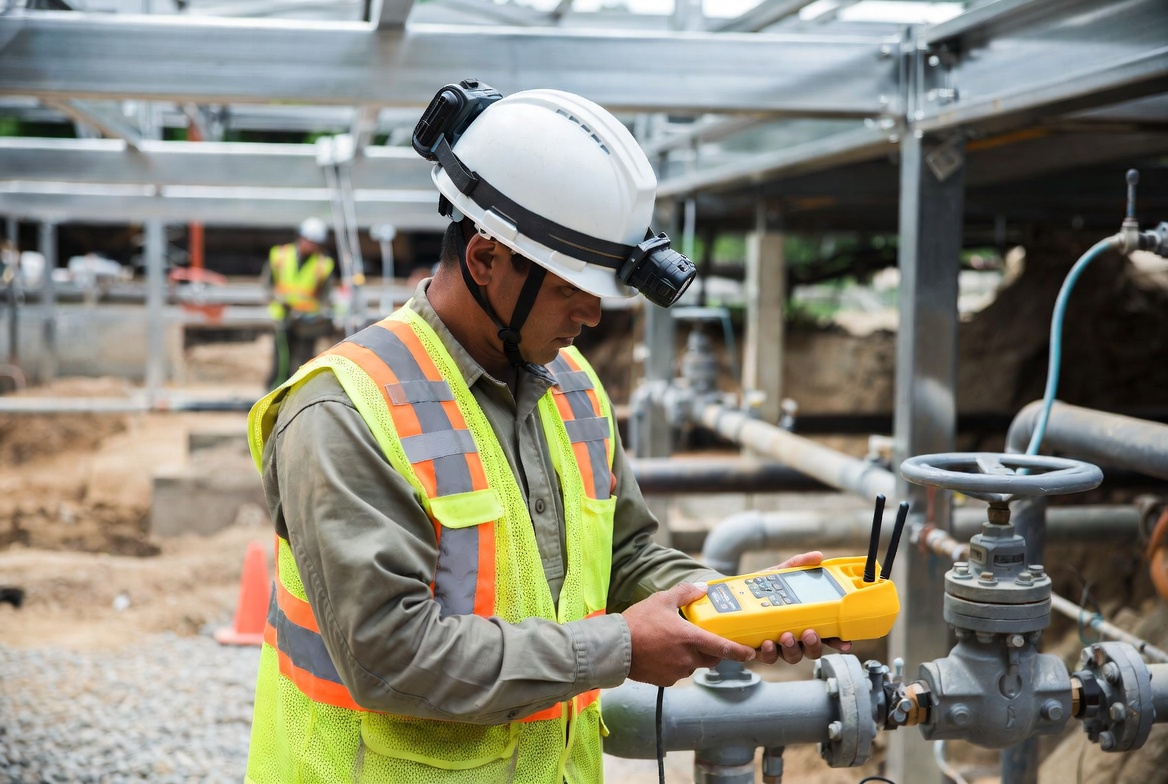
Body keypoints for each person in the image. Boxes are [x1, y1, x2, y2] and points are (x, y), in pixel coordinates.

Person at [244, 81, 848, 783]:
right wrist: (619, 647)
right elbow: (389, 655)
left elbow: (624, 553)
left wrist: (725, 605)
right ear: (484, 260)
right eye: (570, 288)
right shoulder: (344, 411)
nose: (592, 315)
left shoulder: (573, 385)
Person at [261, 217, 336, 389]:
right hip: (283, 316)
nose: (309, 245)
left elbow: (326, 296)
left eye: (314, 242)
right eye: (307, 240)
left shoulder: (323, 264)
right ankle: (274, 392)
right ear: (300, 237)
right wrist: (278, 300)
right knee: (281, 360)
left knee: (304, 361)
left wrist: (318, 314)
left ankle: (300, 395)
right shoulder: (280, 255)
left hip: (307, 321)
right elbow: (267, 284)